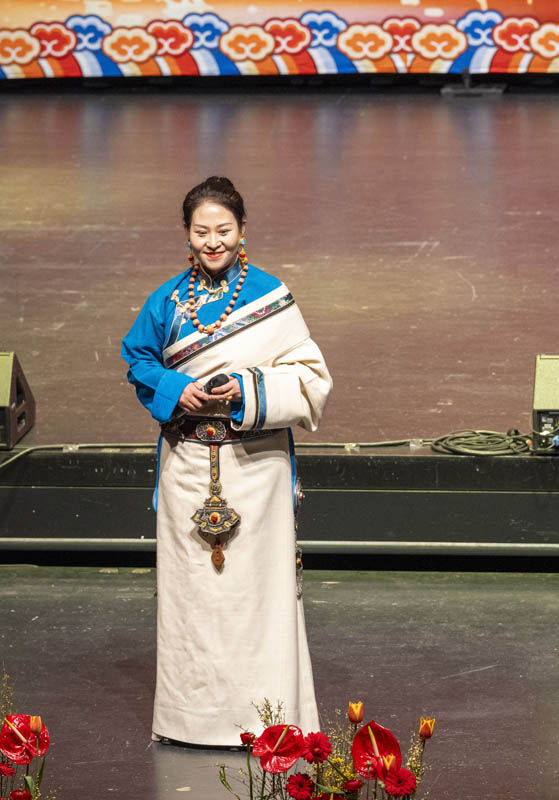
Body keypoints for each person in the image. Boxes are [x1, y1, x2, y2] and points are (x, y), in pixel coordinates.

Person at [121, 176, 333, 746]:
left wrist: (248, 388)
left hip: (257, 468)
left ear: (242, 231)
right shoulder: (166, 301)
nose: (213, 242)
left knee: (255, 596)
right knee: (193, 596)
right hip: (188, 465)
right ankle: (192, 721)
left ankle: (267, 718)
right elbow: (138, 360)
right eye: (201, 232)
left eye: (224, 230)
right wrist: (176, 389)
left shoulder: (271, 296)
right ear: (186, 234)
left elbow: (311, 379)